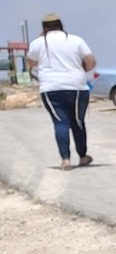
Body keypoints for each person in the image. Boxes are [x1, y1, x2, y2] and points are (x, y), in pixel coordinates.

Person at [26, 13, 95, 167]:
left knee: (60, 122)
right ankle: (83, 156)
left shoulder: (38, 43)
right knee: (77, 121)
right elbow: (90, 61)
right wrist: (81, 72)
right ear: (61, 25)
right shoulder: (76, 40)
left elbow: (31, 63)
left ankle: (65, 159)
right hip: (76, 86)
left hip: (50, 88)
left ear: (44, 28)